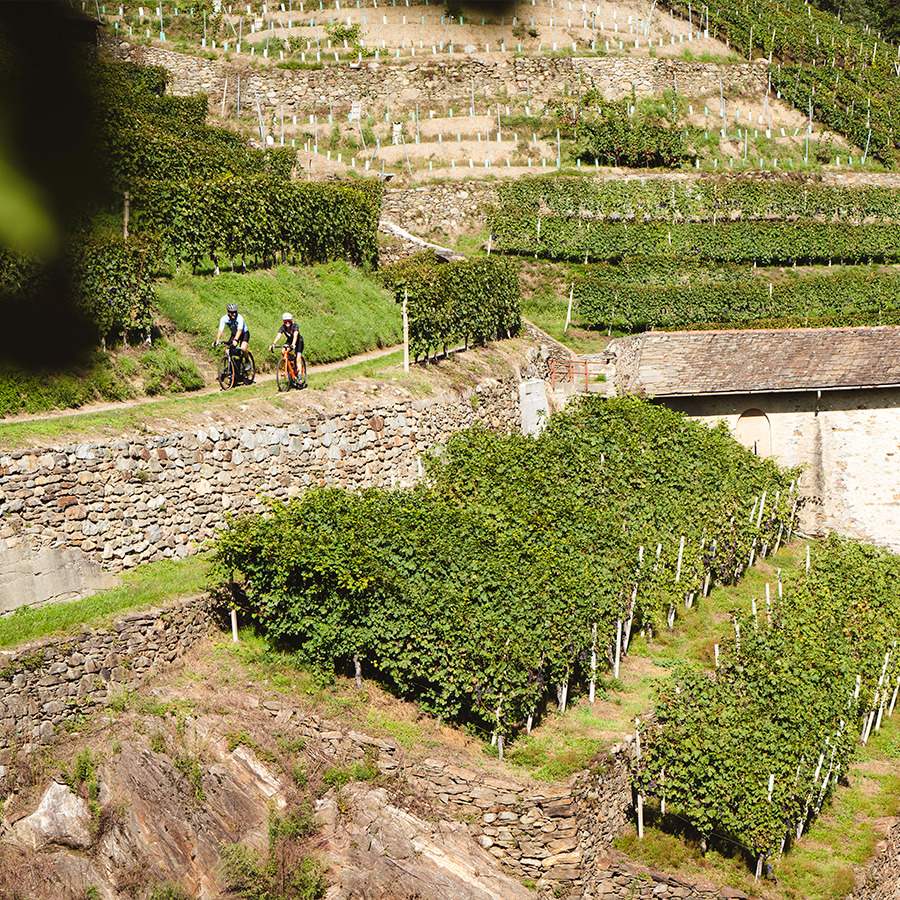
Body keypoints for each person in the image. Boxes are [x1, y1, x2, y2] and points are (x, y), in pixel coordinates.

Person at [269, 312, 305, 388]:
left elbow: (295, 336)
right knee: (283, 350)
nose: (287, 323)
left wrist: (294, 344)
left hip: (298, 342)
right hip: (289, 341)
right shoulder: (282, 327)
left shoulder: (295, 326)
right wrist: (273, 344)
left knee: (298, 359)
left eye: (288, 321)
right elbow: (278, 335)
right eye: (285, 321)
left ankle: (299, 378)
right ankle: (289, 363)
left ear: (291, 321)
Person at [215, 303, 251, 375]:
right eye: (232, 312)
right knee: (227, 350)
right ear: (228, 312)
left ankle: (247, 360)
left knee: (243, 348)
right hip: (234, 334)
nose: (234, 314)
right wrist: (217, 340)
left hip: (244, 333)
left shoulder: (240, 318)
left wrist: (235, 340)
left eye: (235, 312)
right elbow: (220, 330)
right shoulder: (224, 319)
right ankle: (233, 367)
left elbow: (240, 330)